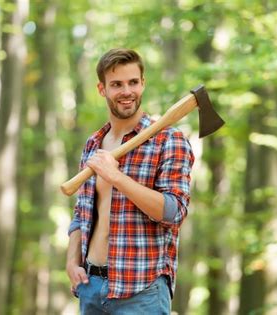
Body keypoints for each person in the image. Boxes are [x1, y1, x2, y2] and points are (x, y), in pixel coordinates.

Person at [66, 48, 194, 314]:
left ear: (143, 83)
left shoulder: (169, 140)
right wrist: (71, 261)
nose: (127, 91)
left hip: (141, 292)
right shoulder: (93, 144)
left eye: (133, 82)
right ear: (102, 89)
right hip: (90, 287)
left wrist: (117, 177)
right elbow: (82, 211)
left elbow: (174, 212)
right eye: (117, 84)